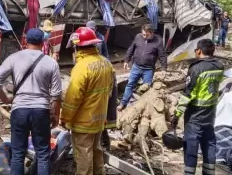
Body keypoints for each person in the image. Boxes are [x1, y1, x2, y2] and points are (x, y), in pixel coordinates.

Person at [0, 28, 62, 175]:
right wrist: (55, 115)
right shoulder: (51, 63)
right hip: (41, 111)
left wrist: (5, 99)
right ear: (43, 42)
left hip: (19, 110)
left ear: (26, 41)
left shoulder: (14, 58)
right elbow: (56, 95)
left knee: (17, 154)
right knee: (42, 154)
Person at [61, 27, 114, 175]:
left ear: (77, 47)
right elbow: (109, 92)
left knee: (83, 154)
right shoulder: (106, 63)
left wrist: (65, 118)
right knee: (96, 150)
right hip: (99, 119)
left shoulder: (81, 67)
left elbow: (73, 97)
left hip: (83, 121)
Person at [171, 39, 224, 175]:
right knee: (209, 144)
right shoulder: (219, 66)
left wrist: (176, 115)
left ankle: (189, 173)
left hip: (195, 115)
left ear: (199, 51)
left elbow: (188, 94)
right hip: (210, 114)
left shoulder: (196, 68)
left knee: (190, 147)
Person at [118, 23, 167, 111]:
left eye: (146, 35)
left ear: (152, 33)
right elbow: (131, 48)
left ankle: (144, 108)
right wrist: (126, 60)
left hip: (148, 69)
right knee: (130, 85)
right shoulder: (138, 37)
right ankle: (123, 103)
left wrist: (164, 68)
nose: (144, 36)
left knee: (147, 88)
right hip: (136, 66)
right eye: (143, 34)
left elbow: (162, 55)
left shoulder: (158, 41)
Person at [85, 21, 117, 151]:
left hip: (98, 101)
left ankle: (103, 144)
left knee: (100, 121)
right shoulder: (103, 67)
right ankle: (102, 144)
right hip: (100, 100)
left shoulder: (100, 40)